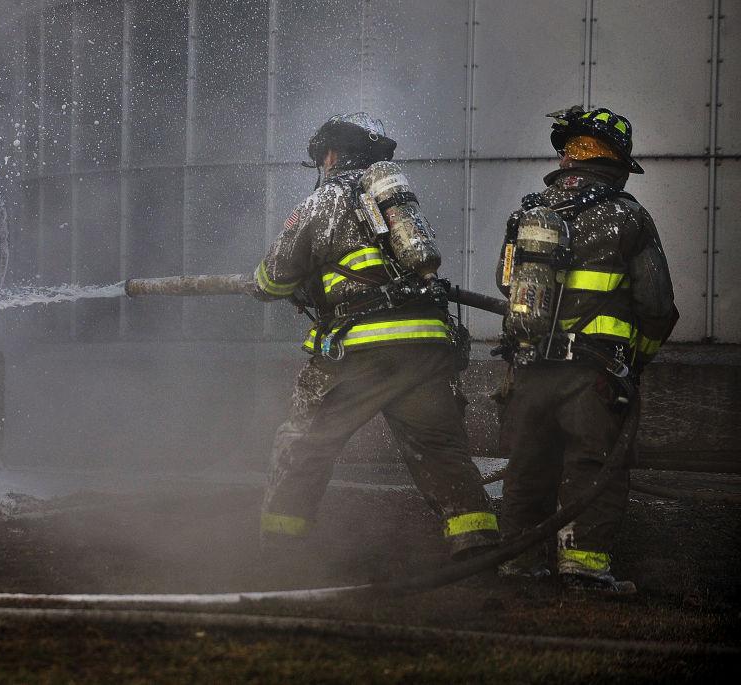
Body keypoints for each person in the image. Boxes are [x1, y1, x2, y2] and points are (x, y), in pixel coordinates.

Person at [252, 113, 499, 562]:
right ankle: (476, 544)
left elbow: (273, 280)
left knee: (306, 443)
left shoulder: (319, 204)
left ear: (330, 154)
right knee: (441, 449)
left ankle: (280, 548)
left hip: (358, 351)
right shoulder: (394, 202)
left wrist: (263, 282)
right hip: (425, 347)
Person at [494, 106, 679, 593]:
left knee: (529, 464)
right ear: (617, 161)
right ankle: (583, 568)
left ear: (566, 156)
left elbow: (506, 282)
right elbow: (657, 305)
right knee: (593, 465)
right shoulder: (628, 216)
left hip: (531, 367)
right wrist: (635, 359)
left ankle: (518, 564)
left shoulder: (531, 213)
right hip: (593, 373)